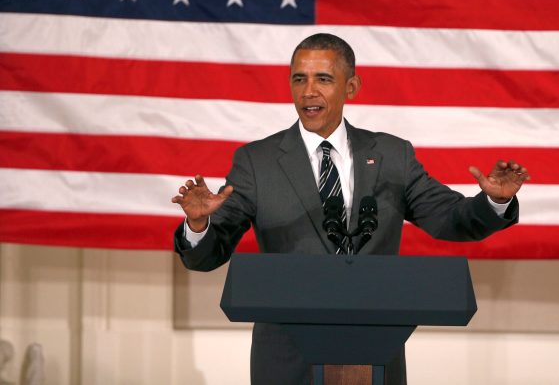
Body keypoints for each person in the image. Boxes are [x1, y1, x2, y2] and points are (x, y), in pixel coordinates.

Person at [173, 33, 530, 385]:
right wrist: (199, 223)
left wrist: (494, 201)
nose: (308, 90)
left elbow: (450, 219)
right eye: (299, 79)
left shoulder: (392, 156)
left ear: (351, 87)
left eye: (323, 79)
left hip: (375, 353)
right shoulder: (257, 161)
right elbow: (208, 255)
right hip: (286, 359)